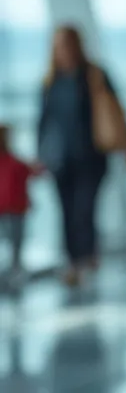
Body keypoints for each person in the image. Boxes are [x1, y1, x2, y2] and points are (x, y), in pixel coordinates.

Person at [37, 25, 126, 287]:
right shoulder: (50, 81)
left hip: (92, 159)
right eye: (58, 46)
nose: (63, 50)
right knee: (67, 212)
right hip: (61, 161)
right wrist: (40, 156)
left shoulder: (94, 76)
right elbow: (43, 122)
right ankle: (73, 262)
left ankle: (86, 260)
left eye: (66, 44)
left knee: (84, 210)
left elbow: (116, 113)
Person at [0, 123, 43, 287]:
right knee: (15, 243)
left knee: (11, 242)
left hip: (8, 210)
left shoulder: (14, 162)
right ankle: (14, 270)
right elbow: (35, 171)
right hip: (15, 210)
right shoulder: (15, 162)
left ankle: (13, 271)